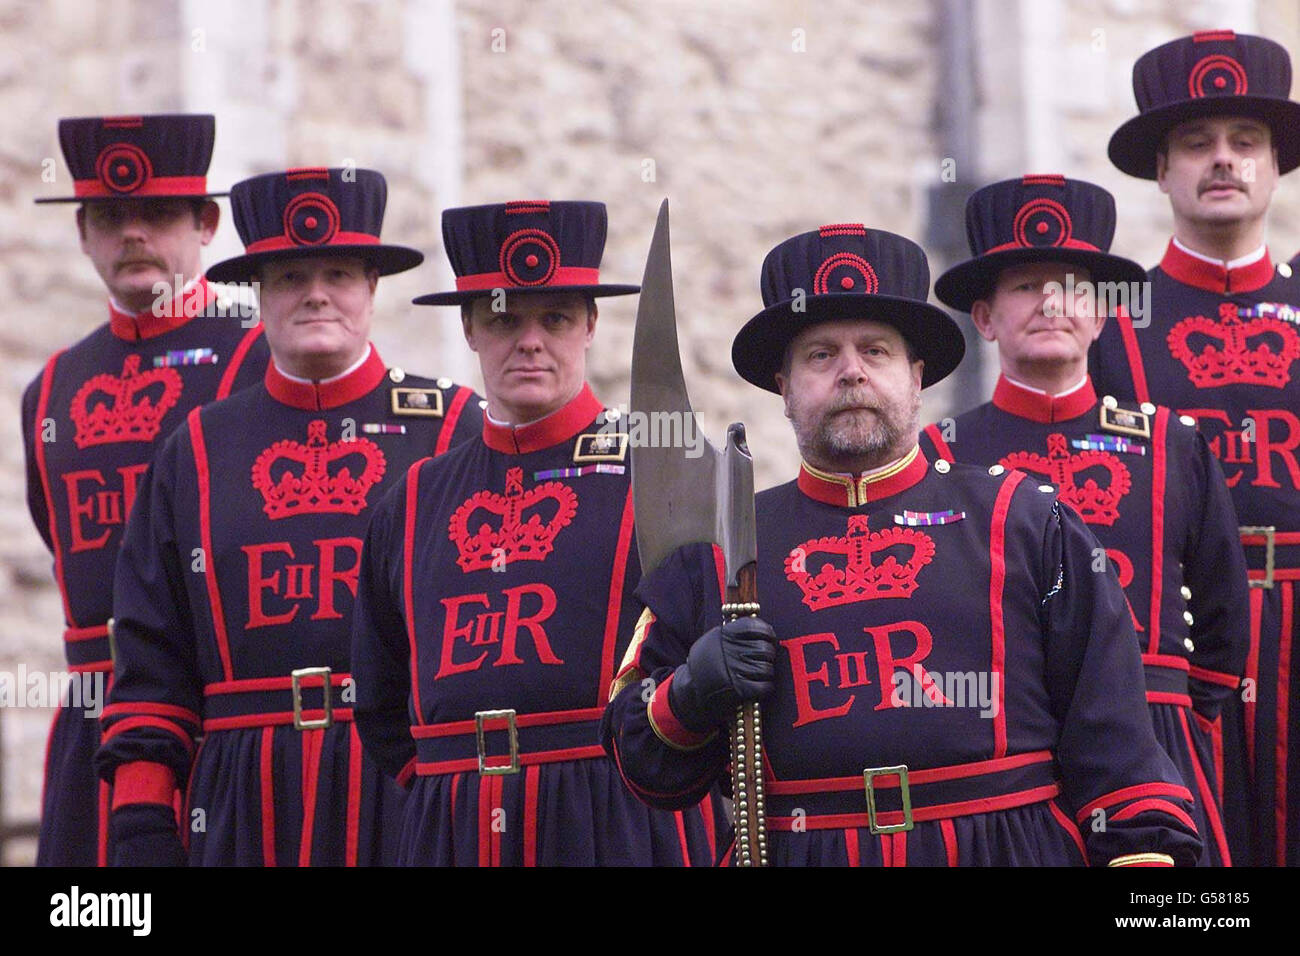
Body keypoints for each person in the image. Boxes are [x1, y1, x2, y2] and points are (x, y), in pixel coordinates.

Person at [602, 222, 1204, 866]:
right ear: (783, 384)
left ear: (917, 375)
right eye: (821, 354)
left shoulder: (1025, 521)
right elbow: (643, 766)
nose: (851, 373)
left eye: (877, 351)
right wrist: (691, 692)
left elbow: (1114, 743)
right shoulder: (720, 553)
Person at [95, 167, 481, 865]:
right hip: (243, 792)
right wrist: (142, 819)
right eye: (289, 276)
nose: (315, 294)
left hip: (403, 783)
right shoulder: (196, 450)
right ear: (259, 296)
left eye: (337, 272)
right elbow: (152, 657)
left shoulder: (453, 428)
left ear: (370, 288)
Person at [350, 200, 717, 865]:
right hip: (455, 827)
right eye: (503, 318)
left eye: (554, 317)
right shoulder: (413, 501)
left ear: (591, 325)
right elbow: (379, 704)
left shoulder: (668, 469)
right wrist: (453, 787)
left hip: (617, 819)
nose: (529, 341)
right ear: (468, 328)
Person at [920, 174, 1249, 865]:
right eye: (1024, 286)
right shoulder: (943, 455)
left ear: (1102, 315)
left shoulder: (1172, 445)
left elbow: (1223, 633)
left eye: (1071, 286)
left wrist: (1163, 714)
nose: (1050, 304)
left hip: (1158, 740)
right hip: (1012, 754)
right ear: (983, 318)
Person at [22, 113, 268, 866]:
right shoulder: (50, 390)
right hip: (95, 712)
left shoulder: (259, 358)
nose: (133, 234)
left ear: (205, 224)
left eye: (157, 215)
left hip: (209, 712)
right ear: (83, 234)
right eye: (109, 217)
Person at [1092, 29, 1300, 865]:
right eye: (1197, 143)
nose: (1224, 161)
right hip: (1175, 642)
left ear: (1277, 163)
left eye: (1246, 142)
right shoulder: (1109, 326)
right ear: (1160, 169)